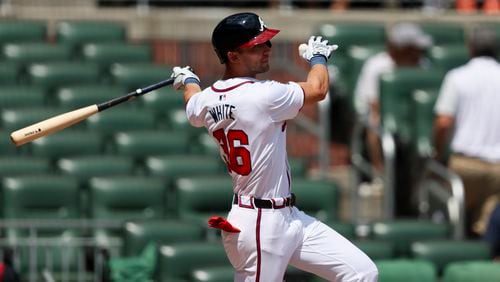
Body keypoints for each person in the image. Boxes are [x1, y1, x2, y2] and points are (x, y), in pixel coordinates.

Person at [171, 12, 378, 282]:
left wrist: (188, 80)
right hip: (258, 223)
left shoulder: (207, 100)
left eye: (266, 42)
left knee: (362, 272)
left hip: (289, 217)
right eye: (256, 46)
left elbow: (192, 103)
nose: (267, 49)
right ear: (233, 56)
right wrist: (318, 58)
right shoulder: (263, 95)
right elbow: (318, 88)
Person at [353, 22, 432, 217]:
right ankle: (381, 173)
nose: (419, 51)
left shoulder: (424, 65)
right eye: (414, 47)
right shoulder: (376, 65)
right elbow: (372, 103)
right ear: (402, 48)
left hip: (415, 121)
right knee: (376, 122)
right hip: (381, 119)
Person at [433, 26, 500, 238]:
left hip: (464, 167)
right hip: (498, 170)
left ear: (470, 48)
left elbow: (443, 122)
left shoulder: (457, 77)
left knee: (451, 222)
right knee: (486, 229)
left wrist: (437, 153)